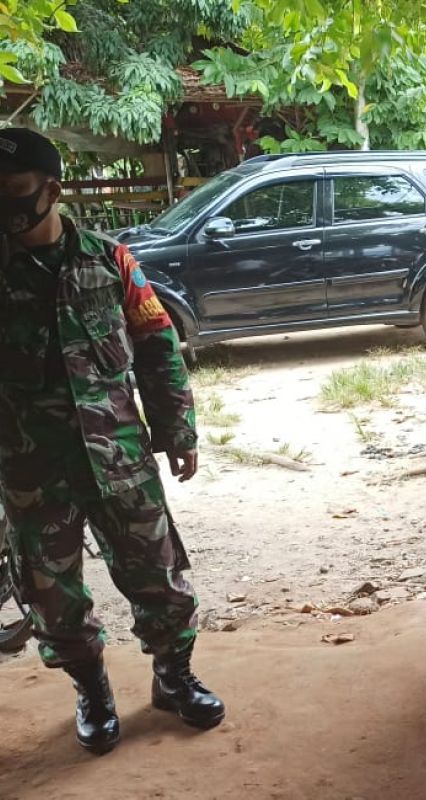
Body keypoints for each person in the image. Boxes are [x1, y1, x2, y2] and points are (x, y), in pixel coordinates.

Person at [0, 128, 224, 755]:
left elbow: (157, 349)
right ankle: (92, 691)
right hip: (31, 470)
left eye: (14, 191)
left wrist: (178, 430)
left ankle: (173, 678)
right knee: (52, 596)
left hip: (120, 458)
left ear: (53, 189)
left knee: (160, 578)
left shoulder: (111, 262)